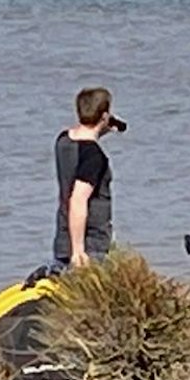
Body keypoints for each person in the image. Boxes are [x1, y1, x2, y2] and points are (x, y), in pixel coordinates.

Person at [54, 86, 125, 270]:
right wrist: (79, 251)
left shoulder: (63, 141)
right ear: (104, 116)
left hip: (63, 241)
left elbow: (82, 135)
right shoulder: (94, 156)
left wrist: (103, 127)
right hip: (90, 246)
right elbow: (78, 200)